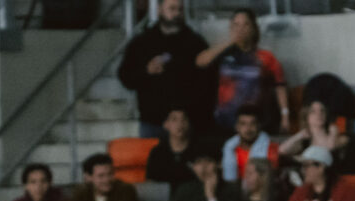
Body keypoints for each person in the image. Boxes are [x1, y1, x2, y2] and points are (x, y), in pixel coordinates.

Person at [116, 0, 210, 136]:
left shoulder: (195, 43)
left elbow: (207, 81)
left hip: (186, 122)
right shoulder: (142, 42)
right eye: (172, 9)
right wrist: (146, 72)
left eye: (180, 9)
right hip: (152, 121)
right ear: (160, 9)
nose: (177, 14)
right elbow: (125, 76)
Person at [197, 8, 289, 135]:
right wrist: (231, 42)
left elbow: (280, 86)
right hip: (225, 122)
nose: (240, 29)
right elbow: (201, 62)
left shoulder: (266, 57)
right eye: (236, 25)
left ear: (253, 28)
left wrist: (285, 116)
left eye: (245, 24)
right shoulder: (223, 55)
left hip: (256, 124)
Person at [281, 146, 355, 201]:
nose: (302, 170)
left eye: (306, 166)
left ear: (321, 167)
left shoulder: (344, 190)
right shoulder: (302, 190)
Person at [146, 108, 202, 189]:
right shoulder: (157, 153)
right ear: (165, 124)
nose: (180, 124)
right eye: (174, 119)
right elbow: (151, 184)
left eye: (184, 119)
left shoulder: (199, 150)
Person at [222, 105, 279, 183]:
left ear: (258, 126)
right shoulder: (230, 150)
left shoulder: (270, 148)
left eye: (252, 124)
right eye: (243, 124)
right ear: (237, 127)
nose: (248, 128)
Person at [280, 100, 346, 160]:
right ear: (306, 117)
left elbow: (329, 149)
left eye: (322, 110)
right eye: (313, 111)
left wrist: (333, 134)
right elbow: (281, 150)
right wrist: (299, 135)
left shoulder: (334, 134)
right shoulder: (304, 141)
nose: (319, 114)